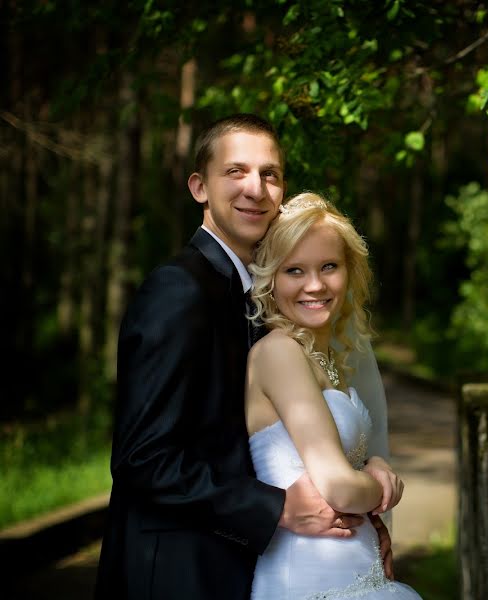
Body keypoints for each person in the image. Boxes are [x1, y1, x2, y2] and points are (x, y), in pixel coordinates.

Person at [94, 114, 394, 600]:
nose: (255, 188)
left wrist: (361, 526)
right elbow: (142, 459)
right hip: (178, 573)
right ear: (199, 187)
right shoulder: (178, 289)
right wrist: (272, 507)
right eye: (235, 171)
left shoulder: (269, 295)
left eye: (269, 174)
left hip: (256, 566)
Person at [244, 192, 422, 599]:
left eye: (329, 266)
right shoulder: (279, 352)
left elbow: (342, 466)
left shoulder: (326, 357)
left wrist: (371, 463)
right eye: (295, 270)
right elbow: (338, 488)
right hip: (306, 580)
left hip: (356, 576)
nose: (315, 285)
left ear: (349, 271)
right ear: (271, 279)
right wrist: (385, 485)